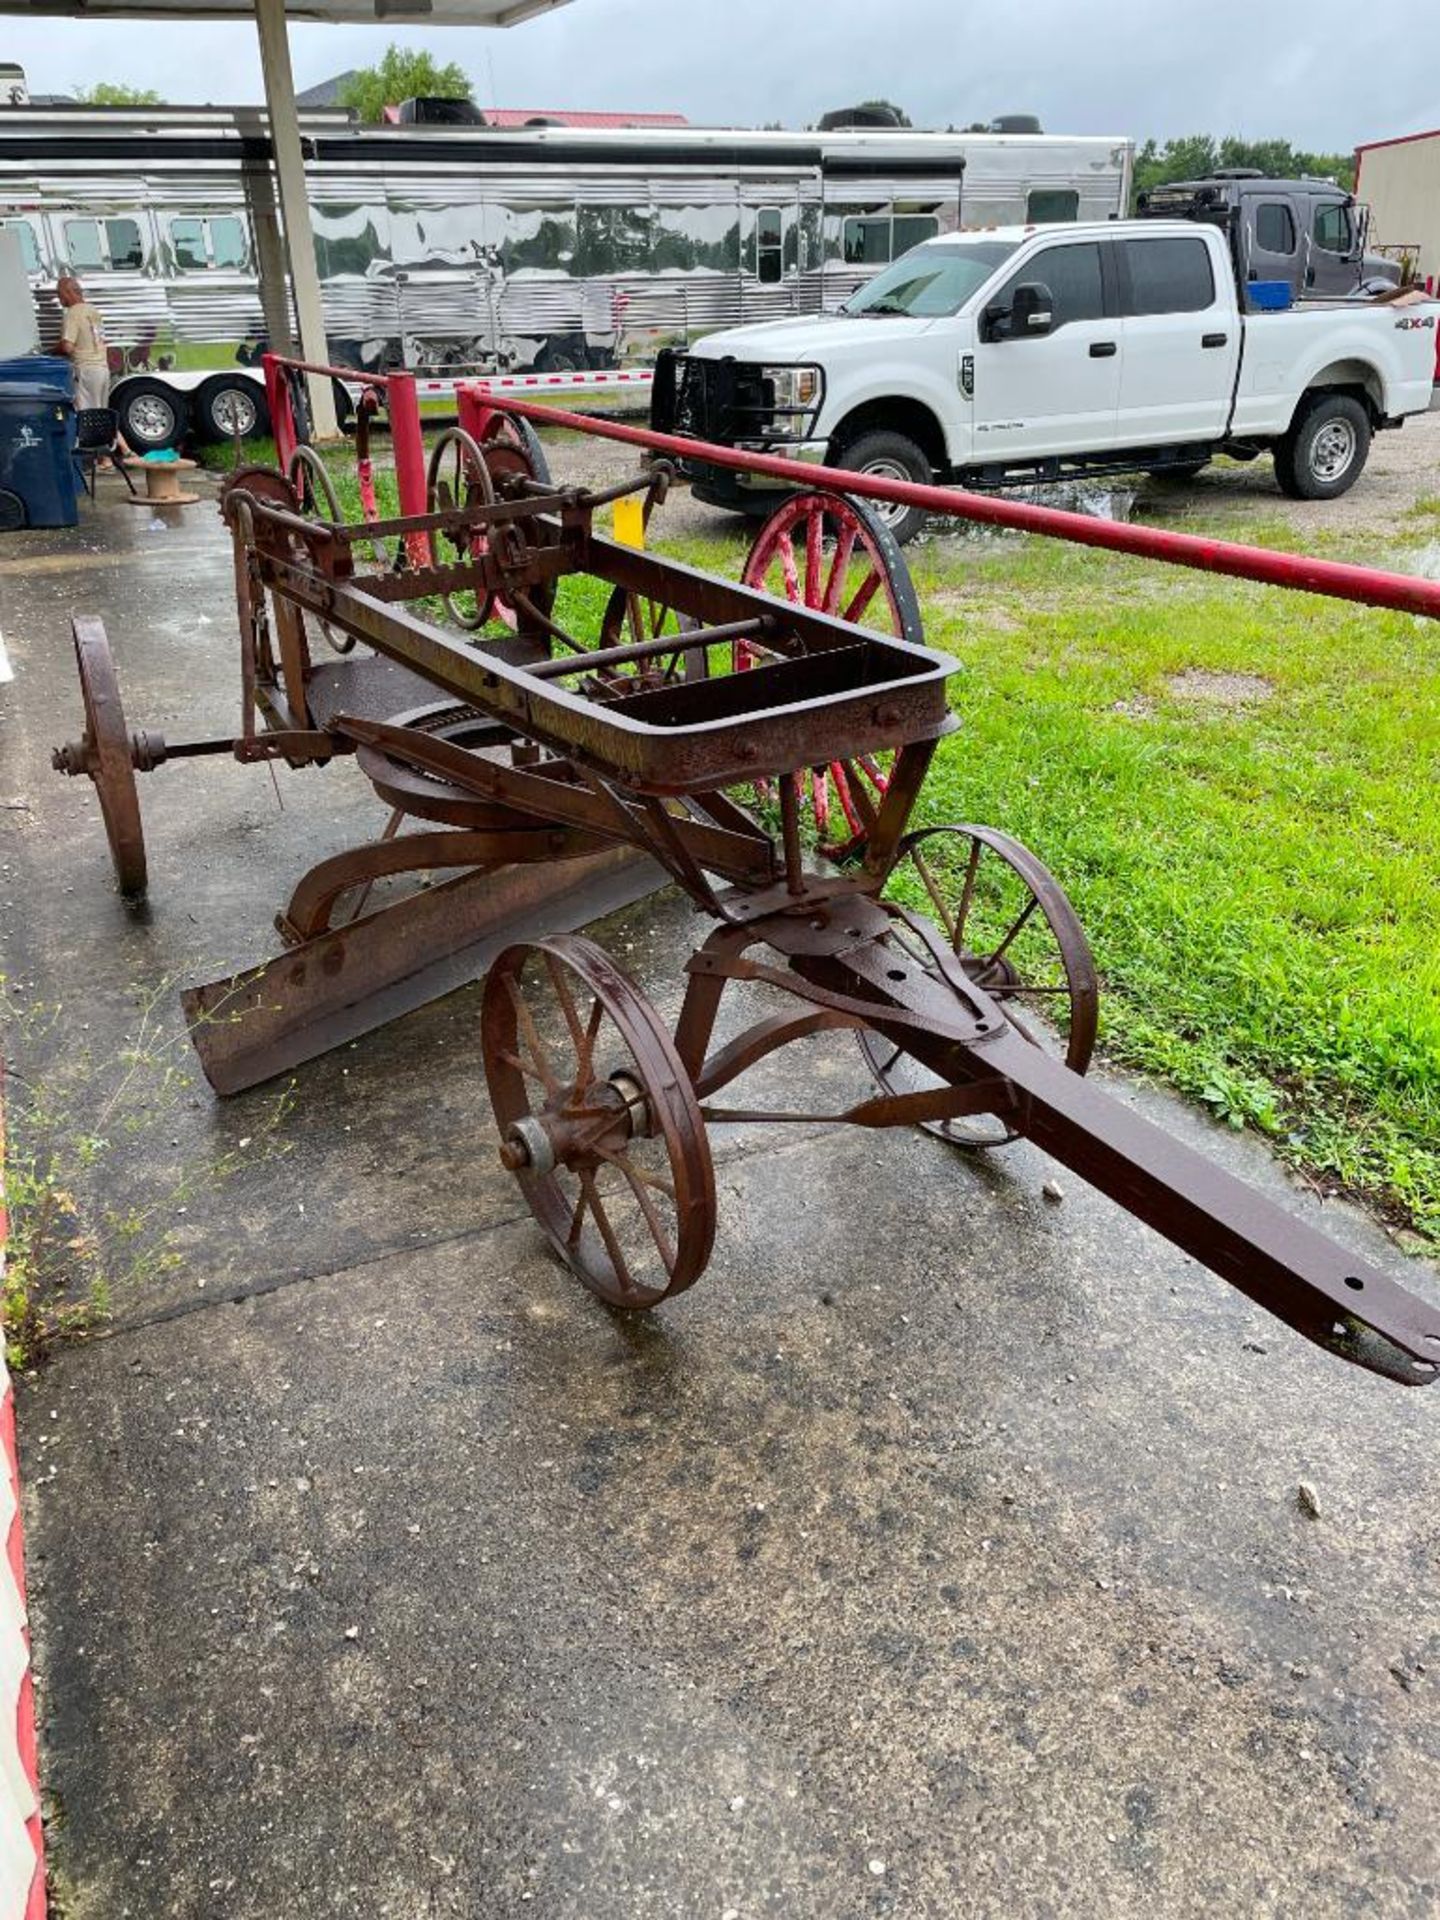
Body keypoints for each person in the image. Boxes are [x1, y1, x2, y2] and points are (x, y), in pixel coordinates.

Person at [54, 275, 110, 411]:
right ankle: (107, 433)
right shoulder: (93, 311)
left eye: (59, 294)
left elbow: (68, 347)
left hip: (86, 372)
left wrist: (54, 349)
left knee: (86, 417)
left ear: (68, 293)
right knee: (100, 415)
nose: (59, 299)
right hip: (102, 370)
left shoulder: (73, 313)